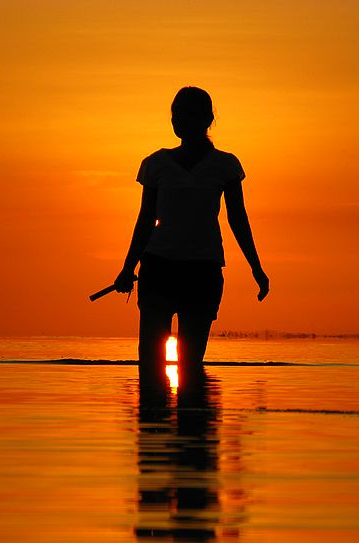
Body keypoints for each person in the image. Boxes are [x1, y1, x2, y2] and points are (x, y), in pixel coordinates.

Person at [114, 86, 269, 388]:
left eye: (185, 115)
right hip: (158, 268)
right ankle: (153, 428)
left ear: (207, 119)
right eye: (175, 115)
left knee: (191, 365)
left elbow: (238, 219)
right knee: (150, 362)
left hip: (203, 270)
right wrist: (127, 268)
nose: (177, 121)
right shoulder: (156, 164)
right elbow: (145, 220)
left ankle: (194, 428)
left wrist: (256, 268)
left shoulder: (225, 165)